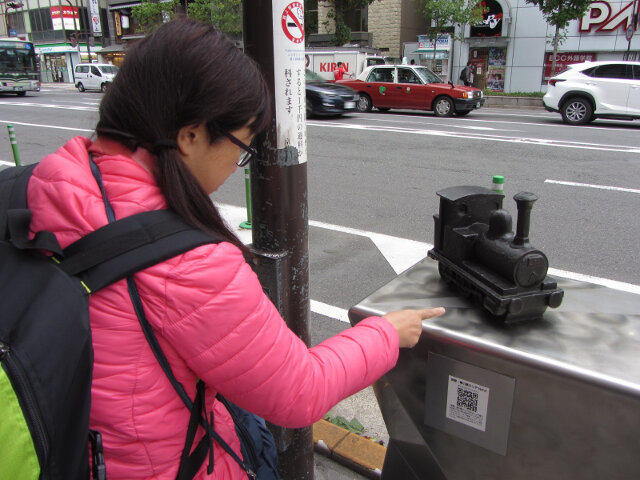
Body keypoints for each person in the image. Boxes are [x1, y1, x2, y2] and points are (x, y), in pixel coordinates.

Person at [26, 19, 445, 479]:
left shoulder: (44, 187)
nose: (235, 167)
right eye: (241, 146)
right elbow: (298, 392)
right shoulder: (187, 264)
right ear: (190, 135)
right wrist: (387, 333)